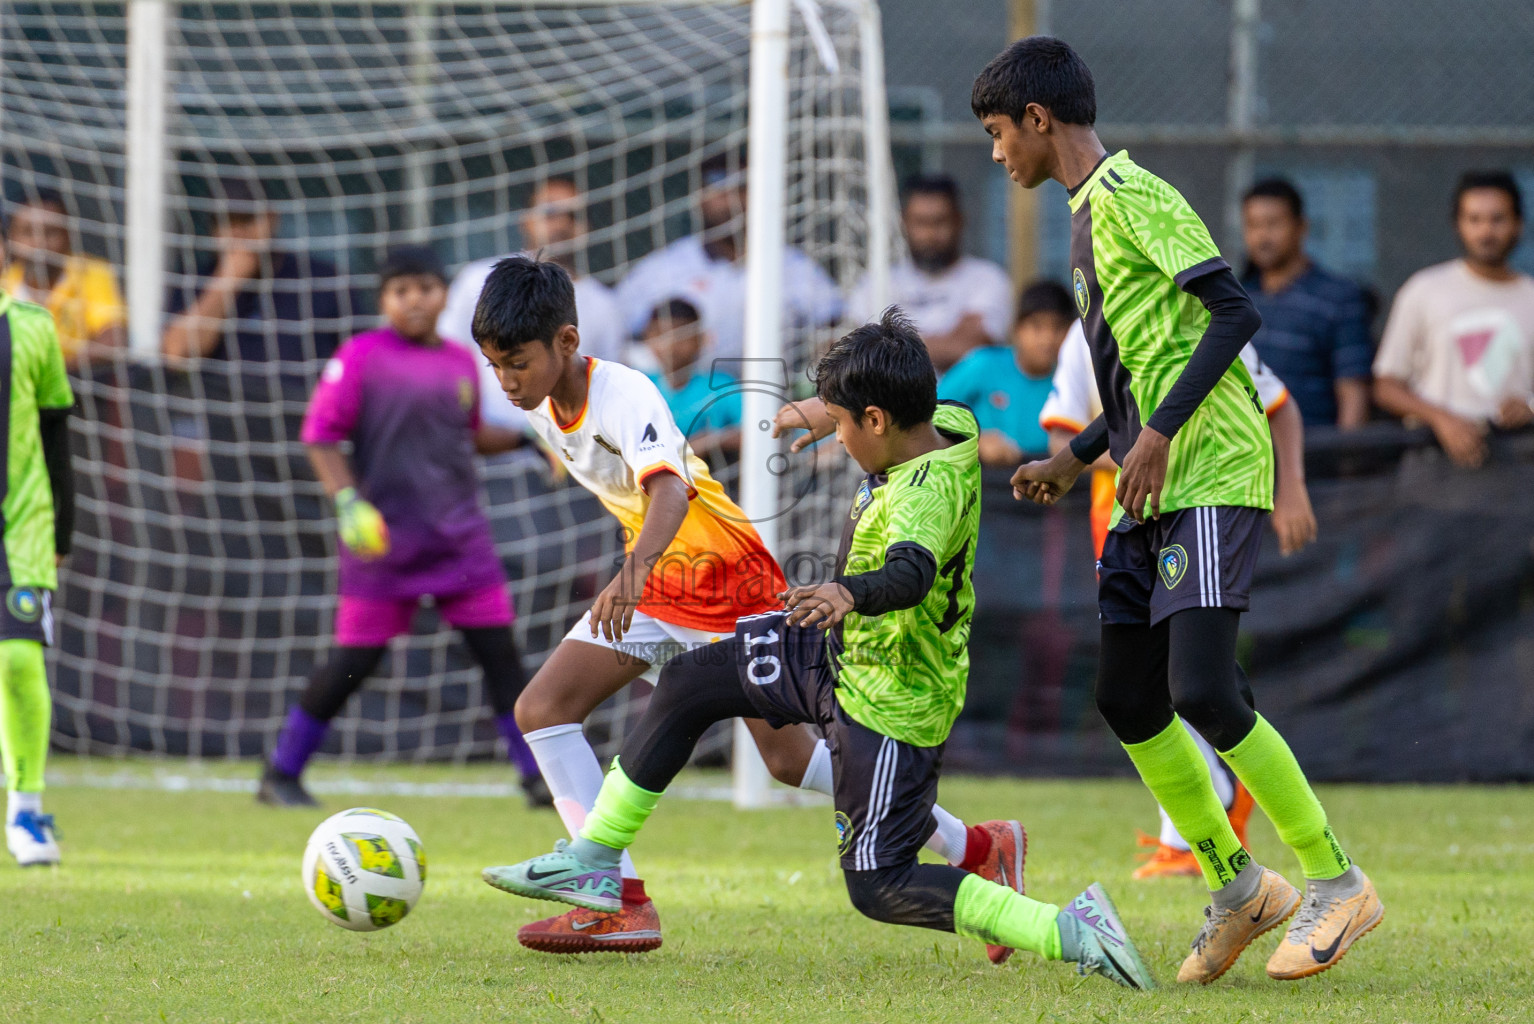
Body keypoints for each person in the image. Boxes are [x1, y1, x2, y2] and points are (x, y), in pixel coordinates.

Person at [481, 310, 1156, 990]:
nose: (835, 438)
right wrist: (819, 406)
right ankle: (598, 859)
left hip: (887, 694)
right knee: (690, 684)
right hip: (832, 651)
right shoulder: (949, 422)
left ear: (876, 421)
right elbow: (919, 395)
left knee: (879, 886)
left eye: (840, 425)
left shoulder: (927, 490)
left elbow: (911, 573)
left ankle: (1065, 927)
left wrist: (848, 593)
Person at [979, 36, 1380, 983]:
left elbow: (1234, 313)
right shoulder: (1083, 219)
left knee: (1201, 686)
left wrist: (1153, 434)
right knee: (1127, 694)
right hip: (1148, 478)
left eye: (999, 134)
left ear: (1039, 120)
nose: (998, 155)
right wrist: (1079, 459)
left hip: (1207, 469)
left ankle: (1337, 880)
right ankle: (1239, 888)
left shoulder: (1133, 195)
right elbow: (1136, 372)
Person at [257, 246, 543, 808]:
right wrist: (346, 502)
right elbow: (319, 435)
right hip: (385, 544)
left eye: (426, 288)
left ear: (444, 295)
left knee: (501, 659)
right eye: (400, 291)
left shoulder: (462, 359)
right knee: (352, 664)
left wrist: (528, 439)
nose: (415, 300)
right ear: (384, 300)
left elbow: (471, 433)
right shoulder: (362, 356)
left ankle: (536, 777)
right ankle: (280, 773)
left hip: (459, 539)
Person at [1041, 321, 1319, 878]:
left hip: (1202, 509)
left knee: (1191, 676)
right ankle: (1211, 832)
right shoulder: (1086, 327)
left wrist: (1292, 488)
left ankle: (1303, 859)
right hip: (1120, 523)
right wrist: (1129, 453)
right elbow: (1066, 434)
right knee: (1145, 684)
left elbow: (1278, 403)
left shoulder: (1196, 315)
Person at [438, 179, 625, 435]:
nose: (561, 225)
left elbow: (604, 385)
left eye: (573, 216)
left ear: (587, 228)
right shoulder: (478, 280)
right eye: (550, 213)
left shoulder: (605, 305)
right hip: (481, 445)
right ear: (525, 220)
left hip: (565, 452)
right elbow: (444, 354)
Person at [1373, 171, 1534, 467]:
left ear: (1518, 225)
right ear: (1458, 225)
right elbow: (1386, 385)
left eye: (1497, 219)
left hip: (1518, 470)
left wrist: (1530, 408)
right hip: (1433, 464)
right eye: (1474, 219)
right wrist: (1440, 418)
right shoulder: (1423, 290)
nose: (1486, 231)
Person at [614, 155, 842, 362]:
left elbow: (835, 325)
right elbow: (621, 337)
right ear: (699, 197)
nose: (731, 200)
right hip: (686, 403)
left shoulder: (794, 266)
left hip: (776, 396)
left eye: (741, 188)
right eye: (718, 187)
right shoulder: (662, 269)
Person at [0, 286, 76, 865]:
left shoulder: (31, 326)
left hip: (19, 525)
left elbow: (55, 431)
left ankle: (25, 809)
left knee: (18, 658)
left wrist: (63, 531)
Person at [161, 178, 354, 363]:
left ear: (272, 218)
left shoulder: (322, 280)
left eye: (246, 219)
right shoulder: (192, 281)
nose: (237, 232)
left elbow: (359, 358)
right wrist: (227, 281)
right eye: (226, 221)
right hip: (220, 396)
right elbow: (177, 353)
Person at [1240, 178, 1374, 429]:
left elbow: (1353, 391)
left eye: (1273, 224)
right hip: (1243, 457)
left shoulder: (1339, 298)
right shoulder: (1237, 298)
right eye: (1252, 225)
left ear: (1302, 227)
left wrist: (1346, 460)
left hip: (1312, 456)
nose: (1262, 236)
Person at [847, 175, 1015, 372]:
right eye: (920, 222)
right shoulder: (876, 282)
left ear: (959, 221)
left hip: (962, 402)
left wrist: (882, 347)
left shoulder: (988, 279)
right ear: (903, 223)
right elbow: (845, 348)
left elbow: (968, 347)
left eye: (939, 222)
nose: (929, 234)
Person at [939, 280, 1072, 466]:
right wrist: (975, 440)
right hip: (982, 482)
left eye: (1057, 328)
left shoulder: (1070, 382)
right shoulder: (984, 364)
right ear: (1017, 328)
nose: (1047, 339)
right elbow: (931, 411)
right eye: (1037, 326)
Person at [2, 189, 126, 368]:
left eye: (50, 233)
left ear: (68, 235)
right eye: (28, 233)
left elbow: (113, 336)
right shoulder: (4, 283)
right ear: (11, 239)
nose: (39, 244)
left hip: (77, 383)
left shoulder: (90, 273)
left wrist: (55, 374)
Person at [640, 297, 741, 457]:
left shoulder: (722, 386)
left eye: (681, 334)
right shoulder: (639, 386)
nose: (671, 343)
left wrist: (714, 440)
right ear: (647, 337)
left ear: (701, 338)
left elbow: (754, 431)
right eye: (661, 334)